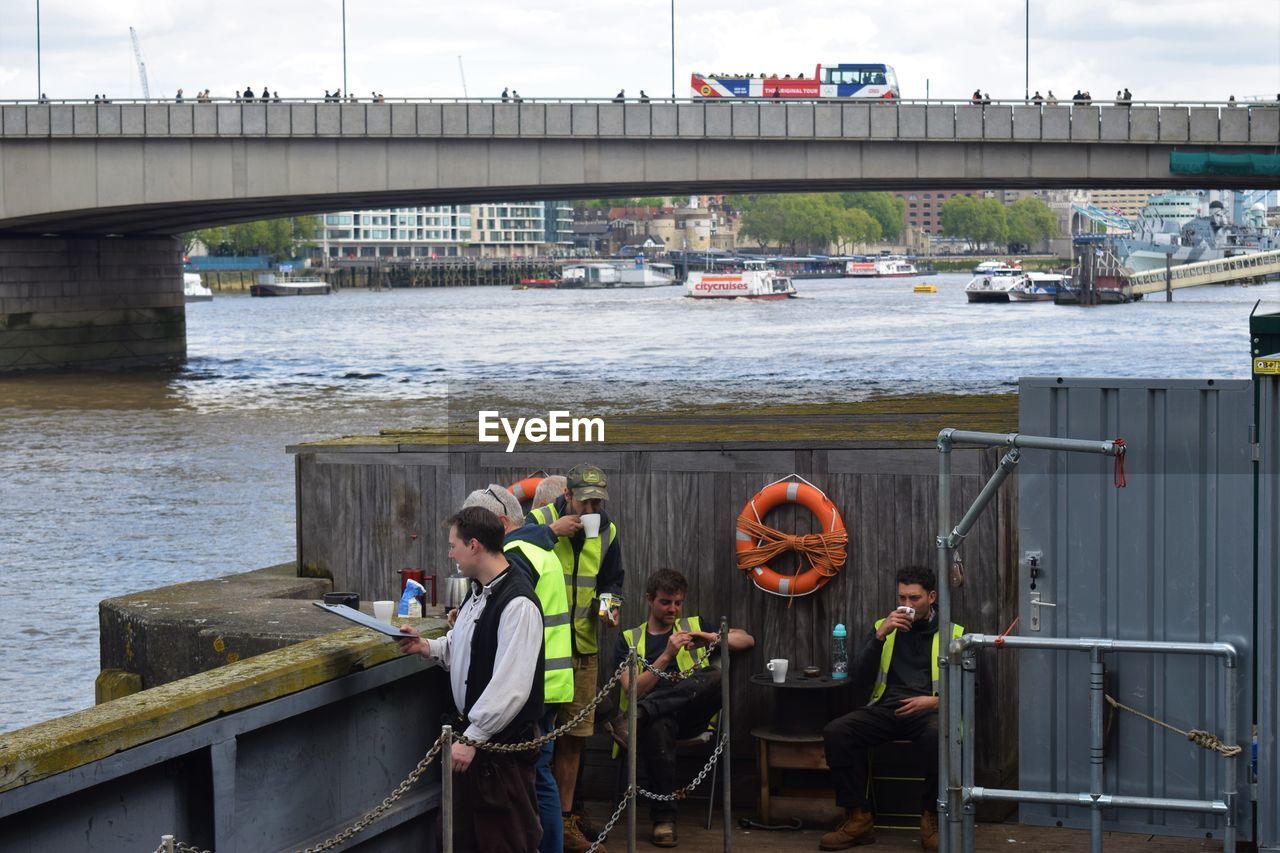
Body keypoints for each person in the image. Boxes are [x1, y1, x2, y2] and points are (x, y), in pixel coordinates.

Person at [396, 506, 545, 853]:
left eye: (453, 545)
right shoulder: (477, 590)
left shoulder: (518, 603)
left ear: (474, 545)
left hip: (499, 749)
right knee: (460, 839)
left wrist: (474, 737)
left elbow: (513, 685)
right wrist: (425, 646)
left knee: (506, 841)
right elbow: (464, 648)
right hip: (472, 742)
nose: (450, 554)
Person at [819, 565, 964, 853]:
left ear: (932, 597)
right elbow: (858, 679)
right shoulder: (882, 627)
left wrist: (935, 701)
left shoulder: (953, 633)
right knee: (837, 731)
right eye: (902, 598)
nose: (906, 606)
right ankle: (859, 818)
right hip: (888, 708)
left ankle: (931, 820)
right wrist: (879, 636)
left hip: (930, 711)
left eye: (914, 599)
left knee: (939, 736)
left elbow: (973, 690)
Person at [461, 485, 573, 853]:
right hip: (553, 677)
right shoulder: (540, 548)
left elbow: (506, 606)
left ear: (502, 523)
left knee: (534, 783)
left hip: (532, 686)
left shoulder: (516, 555)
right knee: (542, 779)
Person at [610, 569, 754, 848]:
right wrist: (666, 655)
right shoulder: (629, 639)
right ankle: (664, 820)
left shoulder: (692, 625)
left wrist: (709, 637)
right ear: (649, 599)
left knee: (714, 676)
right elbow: (631, 688)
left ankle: (641, 715)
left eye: (678, 602)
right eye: (665, 602)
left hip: (691, 715)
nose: (673, 609)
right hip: (658, 724)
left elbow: (747, 640)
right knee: (658, 725)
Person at [526, 463, 624, 853]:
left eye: (597, 501)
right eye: (585, 501)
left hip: (584, 646)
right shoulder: (539, 520)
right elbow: (510, 547)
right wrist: (552, 532)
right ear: (567, 496)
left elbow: (612, 581)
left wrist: (609, 607)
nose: (591, 508)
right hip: (544, 650)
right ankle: (534, 818)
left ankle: (565, 822)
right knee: (538, 737)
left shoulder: (609, 529)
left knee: (575, 738)